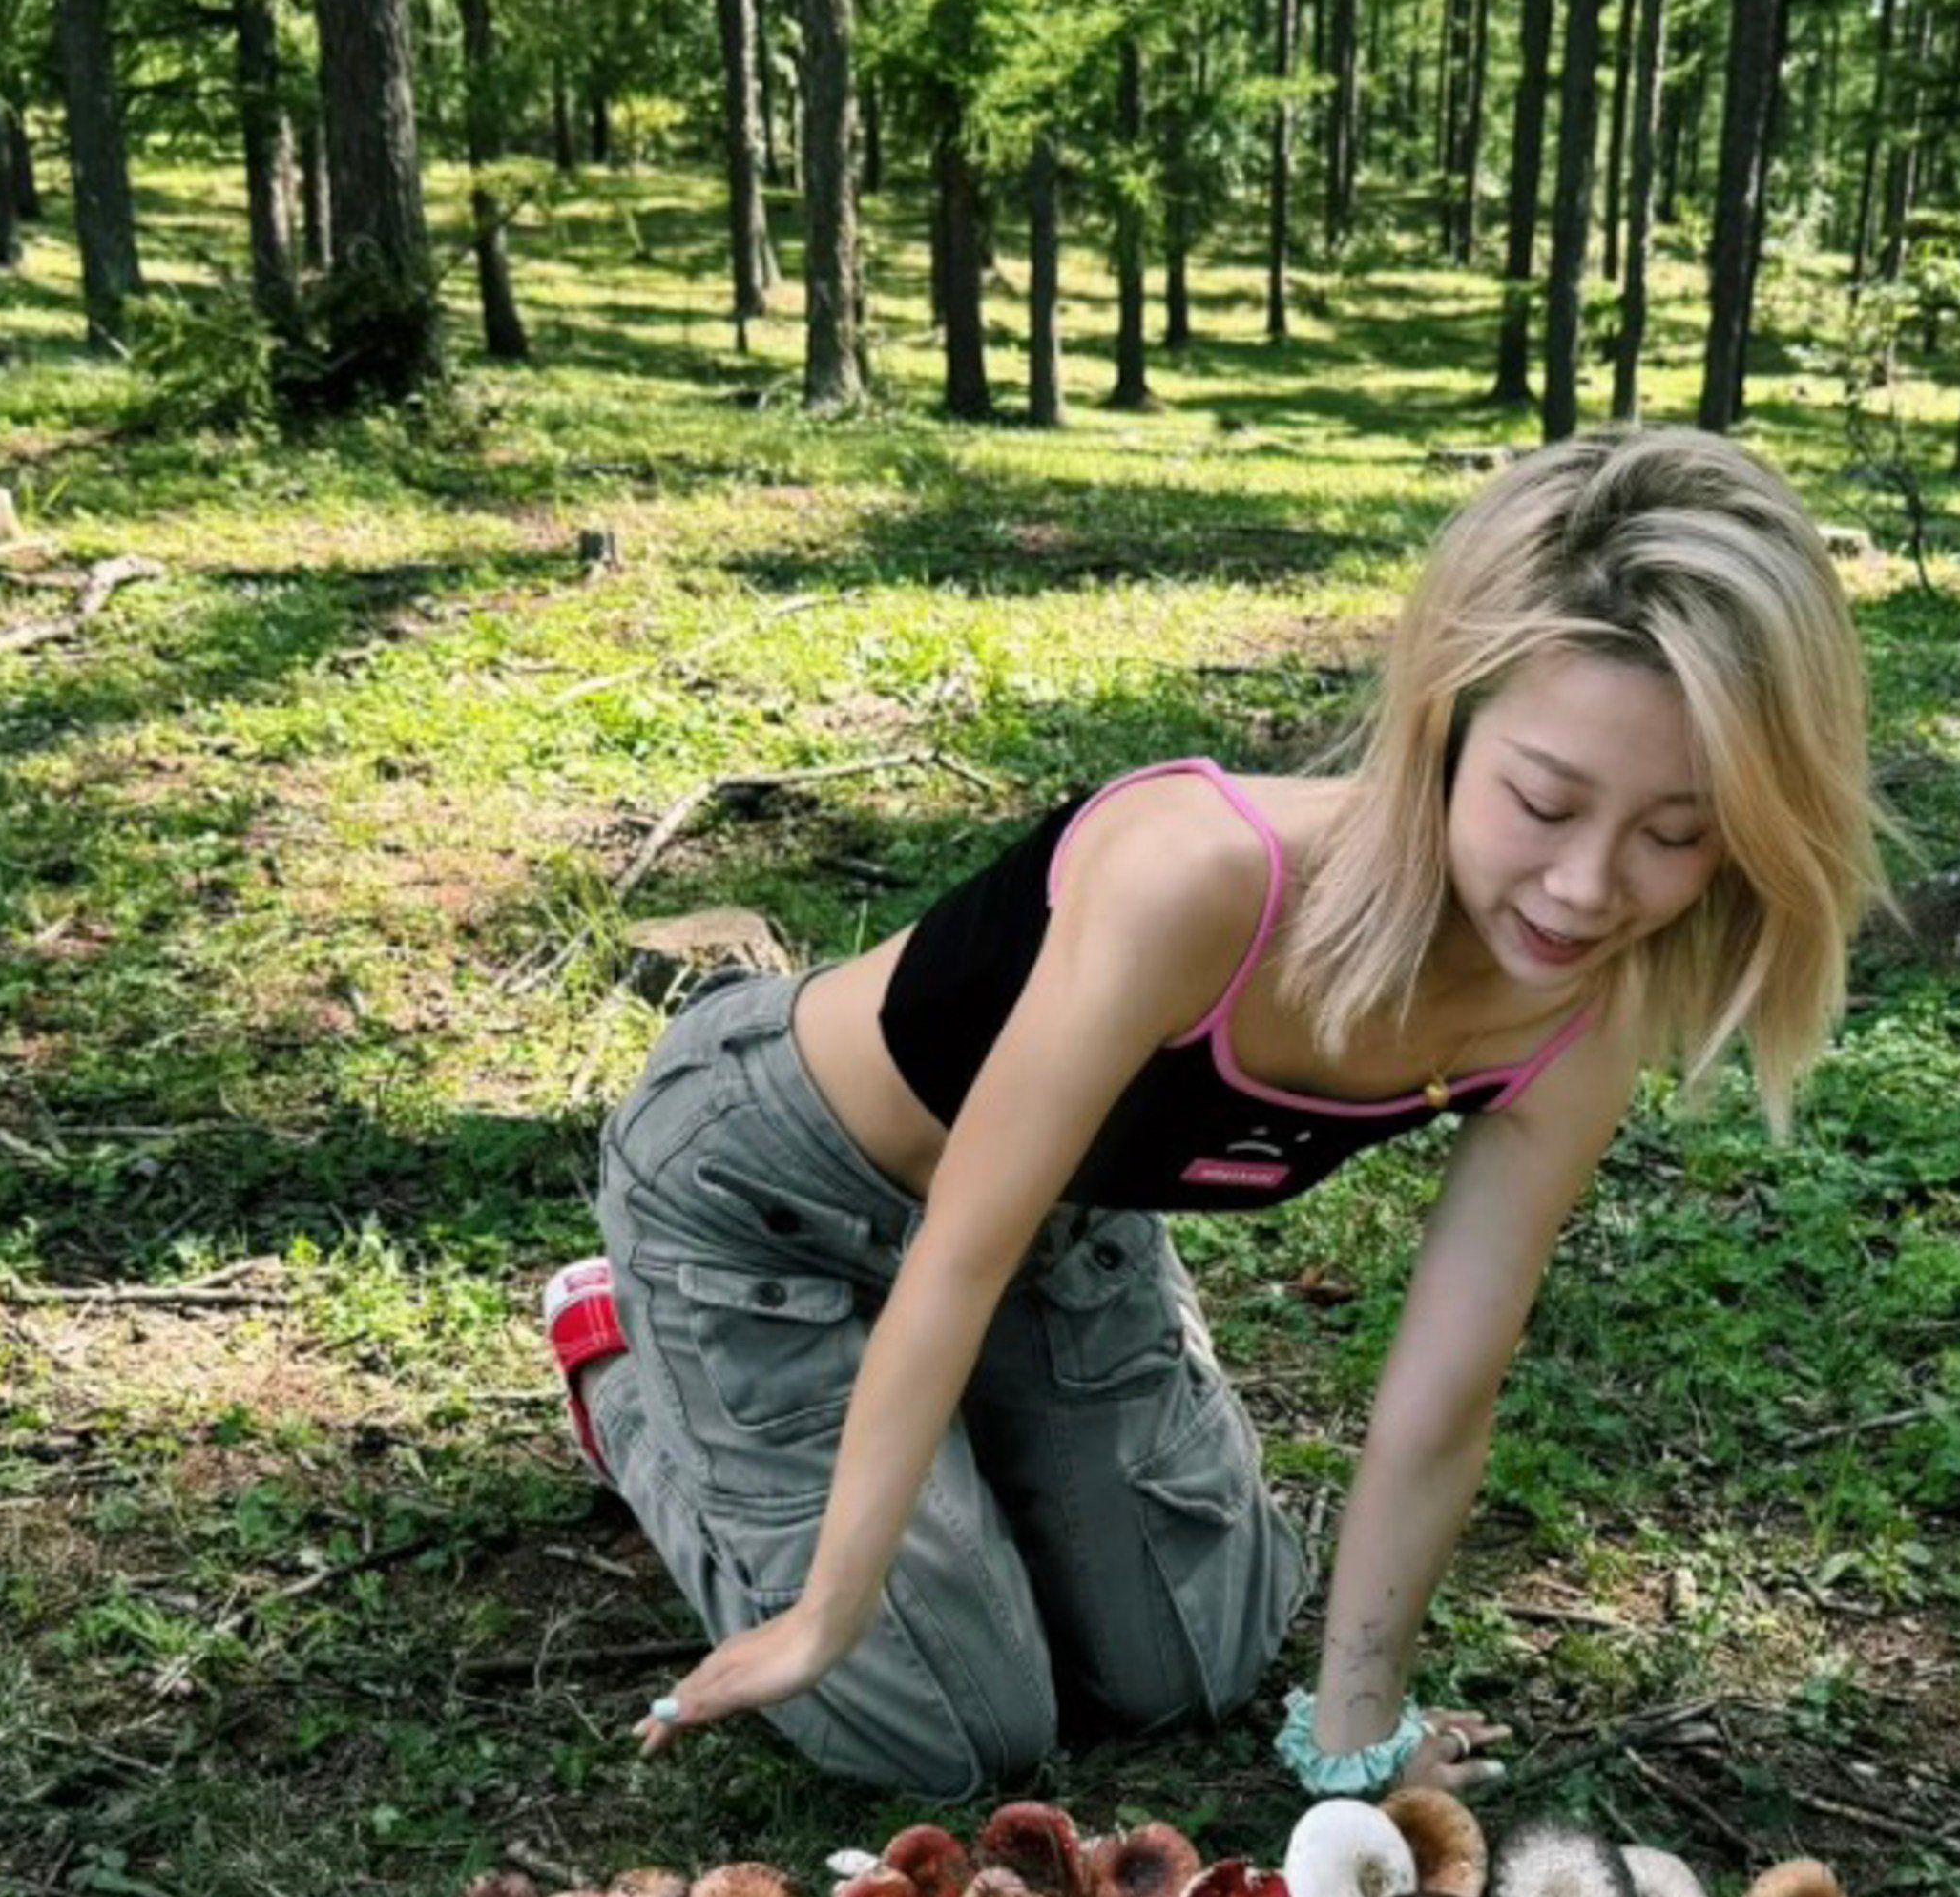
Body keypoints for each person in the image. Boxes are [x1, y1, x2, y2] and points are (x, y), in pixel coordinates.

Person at [553, 425, 1878, 1804]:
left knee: (1200, 1658)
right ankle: (621, 1365)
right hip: (771, 1191)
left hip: (1061, 1228)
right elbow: (955, 1253)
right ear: (1444, 724)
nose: (1588, 889)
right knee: (948, 1726)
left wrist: (1356, 1741)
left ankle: (956, 1477)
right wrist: (828, 1609)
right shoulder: (1200, 879)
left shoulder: (1584, 1013)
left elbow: (1442, 1398)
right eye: (1543, 803)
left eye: (1676, 833)